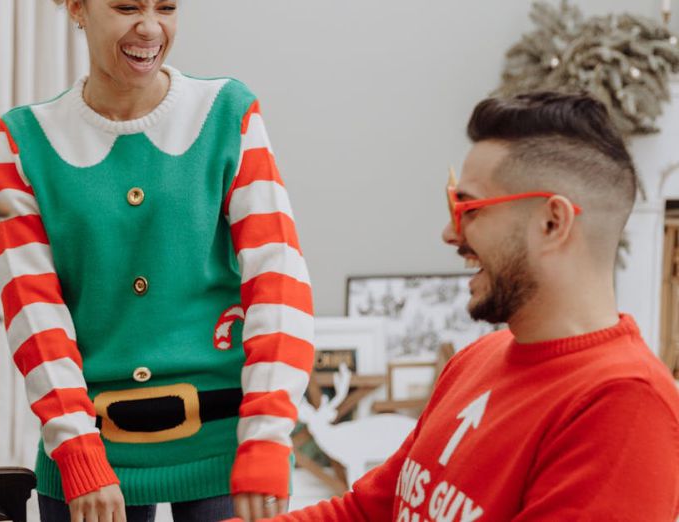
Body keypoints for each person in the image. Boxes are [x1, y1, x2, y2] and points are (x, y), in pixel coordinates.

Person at [237, 91, 679, 521]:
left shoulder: (625, 409)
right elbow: (368, 510)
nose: (450, 234)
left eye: (469, 208)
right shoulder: (476, 360)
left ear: (552, 222)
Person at [0, 1, 314, 520]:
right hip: (91, 449)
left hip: (228, 447)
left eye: (166, 6)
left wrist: (267, 436)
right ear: (77, 7)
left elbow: (278, 280)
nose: (150, 27)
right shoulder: (27, 139)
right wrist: (76, 452)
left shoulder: (228, 113)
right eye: (126, 6)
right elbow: (33, 313)